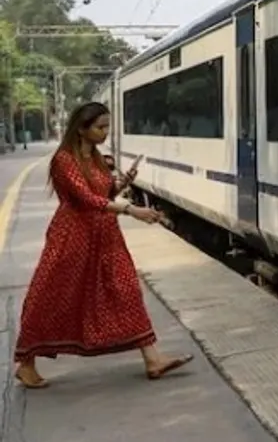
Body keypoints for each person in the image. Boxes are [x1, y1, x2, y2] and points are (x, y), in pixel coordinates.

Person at [12, 101, 193, 389]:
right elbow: (84, 199)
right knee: (54, 295)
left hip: (106, 235)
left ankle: (153, 359)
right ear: (81, 130)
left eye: (107, 126)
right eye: (100, 127)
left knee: (126, 289)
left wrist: (123, 184)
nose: (105, 132)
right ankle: (27, 363)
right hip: (73, 236)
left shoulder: (98, 159)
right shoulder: (64, 160)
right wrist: (131, 210)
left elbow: (104, 193)